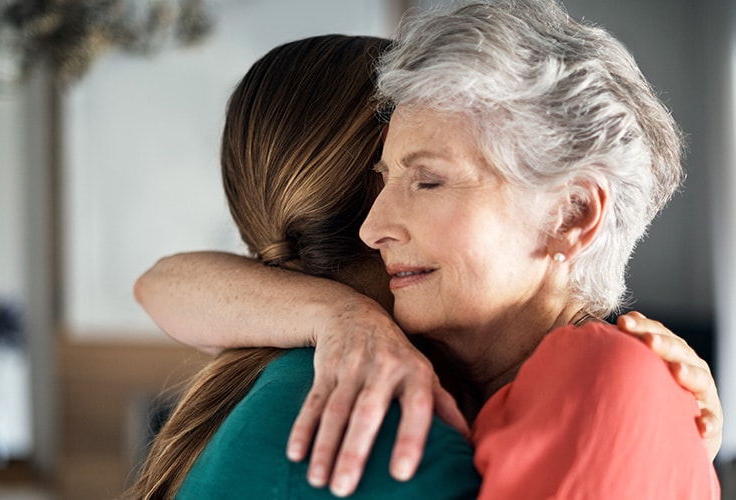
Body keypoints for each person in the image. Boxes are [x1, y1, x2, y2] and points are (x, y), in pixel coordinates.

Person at [137, 1, 723, 498]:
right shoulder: (433, 395)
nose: (374, 226)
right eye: (384, 178)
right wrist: (345, 317)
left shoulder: (605, 378)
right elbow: (162, 283)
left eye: (428, 180)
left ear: (571, 215)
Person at [125, 34, 481, 499]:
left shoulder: (262, 372)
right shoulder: (410, 450)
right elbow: (155, 283)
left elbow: (156, 283)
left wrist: (340, 313)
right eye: (427, 178)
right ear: (381, 193)